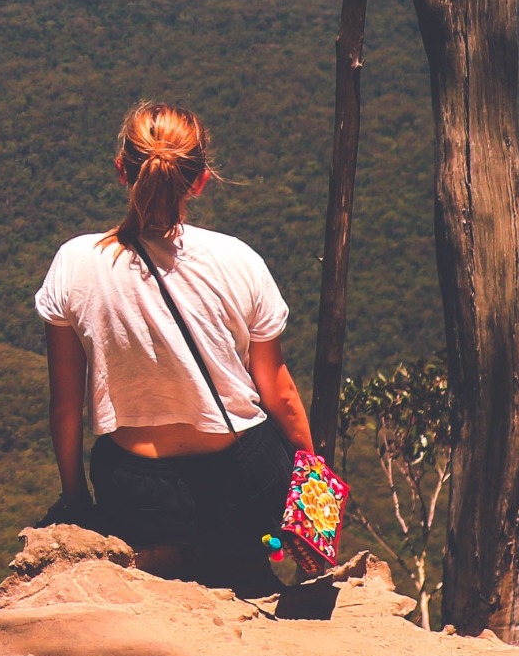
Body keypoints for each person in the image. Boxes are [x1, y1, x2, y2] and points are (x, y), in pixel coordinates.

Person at [34, 100, 316, 589]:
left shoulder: (74, 263)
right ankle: (239, 558)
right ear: (200, 180)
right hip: (243, 476)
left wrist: (76, 499)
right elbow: (281, 396)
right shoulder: (239, 260)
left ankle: (170, 554)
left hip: (137, 486)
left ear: (122, 171)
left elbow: (65, 407)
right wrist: (311, 486)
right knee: (245, 558)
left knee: (152, 524)